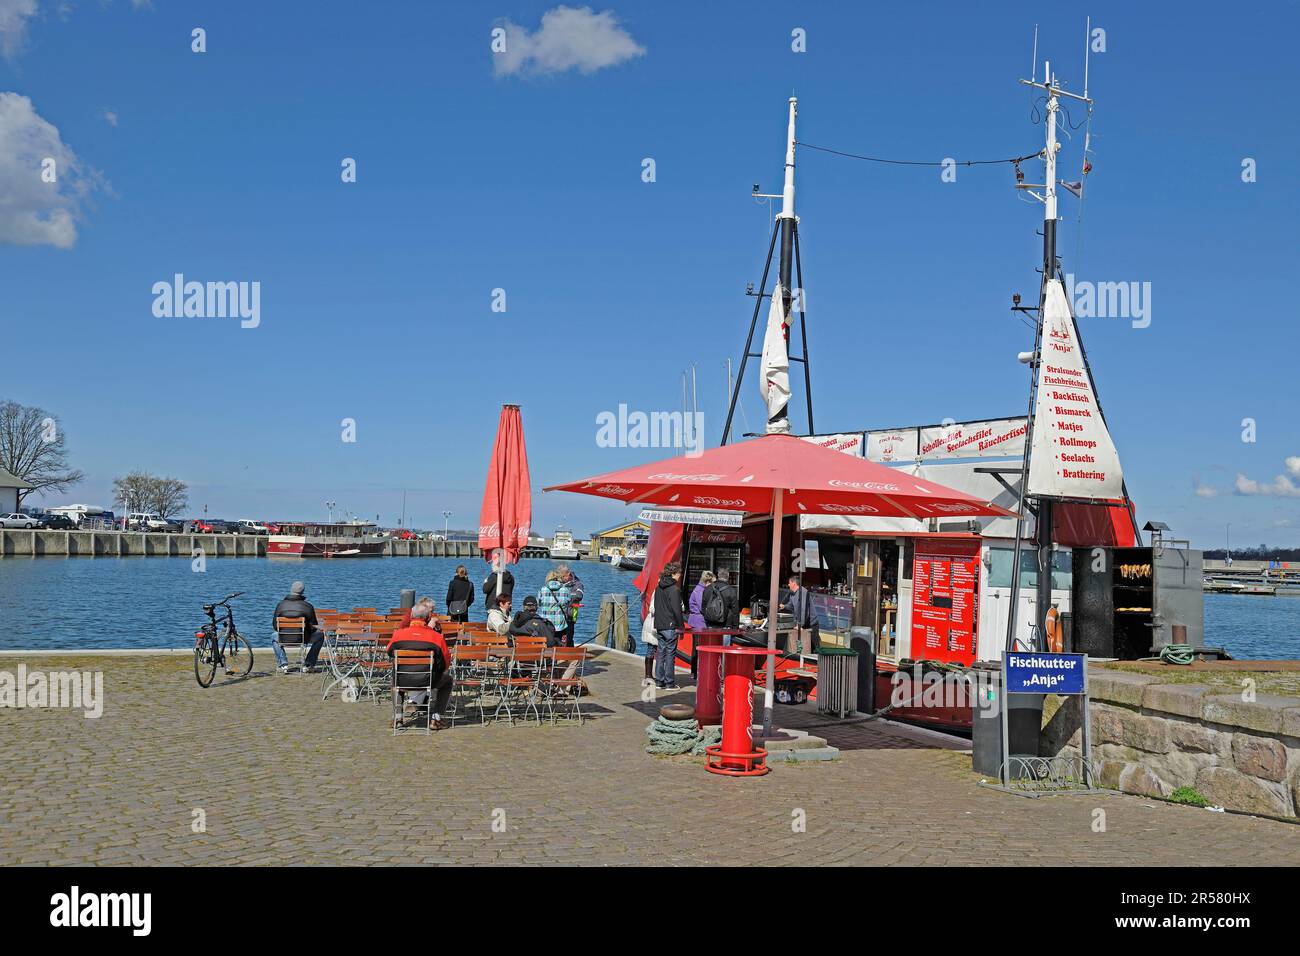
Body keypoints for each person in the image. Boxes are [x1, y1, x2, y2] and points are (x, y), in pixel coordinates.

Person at [386, 597, 453, 730]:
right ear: (428, 617)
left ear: (411, 616)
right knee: (448, 680)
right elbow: (445, 661)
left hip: (403, 679)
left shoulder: (398, 634)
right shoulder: (436, 637)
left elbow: (389, 652)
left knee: (394, 681)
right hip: (428, 680)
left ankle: (398, 718)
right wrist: (437, 670)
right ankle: (436, 719)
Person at [270, 580, 325, 674]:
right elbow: (313, 627)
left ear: (291, 590)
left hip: (284, 637)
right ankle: (309, 664)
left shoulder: (280, 605)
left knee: (273, 636)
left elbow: (275, 626)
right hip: (303, 638)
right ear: (302, 592)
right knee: (320, 636)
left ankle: (283, 664)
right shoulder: (308, 606)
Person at [652, 562, 685, 689]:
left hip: (660, 624)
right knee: (670, 654)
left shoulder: (658, 587)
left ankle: (659, 681)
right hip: (670, 625)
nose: (680, 576)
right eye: (678, 573)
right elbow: (677, 610)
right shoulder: (674, 590)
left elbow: (657, 606)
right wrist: (681, 626)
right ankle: (669, 682)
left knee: (661, 653)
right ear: (673, 574)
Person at [781, 574, 820, 657]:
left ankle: (818, 662)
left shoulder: (803, 592)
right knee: (805, 647)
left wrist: (800, 625)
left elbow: (804, 610)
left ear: (794, 583)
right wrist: (784, 606)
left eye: (789, 583)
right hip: (803, 624)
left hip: (811, 624)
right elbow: (791, 605)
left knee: (815, 647)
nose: (788, 585)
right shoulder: (793, 594)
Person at [537, 570, 574, 646]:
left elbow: (539, 604)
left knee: (546, 645)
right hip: (560, 625)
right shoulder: (566, 590)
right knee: (560, 646)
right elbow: (569, 604)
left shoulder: (542, 590)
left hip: (546, 625)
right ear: (559, 578)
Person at [556, 563, 584, 644]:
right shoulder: (559, 582)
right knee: (556, 639)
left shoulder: (577, 584)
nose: (560, 579)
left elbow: (579, 596)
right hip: (557, 616)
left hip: (570, 616)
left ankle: (570, 650)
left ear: (568, 574)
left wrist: (565, 596)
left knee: (568, 639)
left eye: (562, 576)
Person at [641, 591, 658, 687]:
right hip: (653, 624)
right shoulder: (658, 592)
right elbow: (652, 608)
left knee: (651, 649)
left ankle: (649, 675)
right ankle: (648, 675)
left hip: (652, 622)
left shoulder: (657, 591)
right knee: (651, 649)